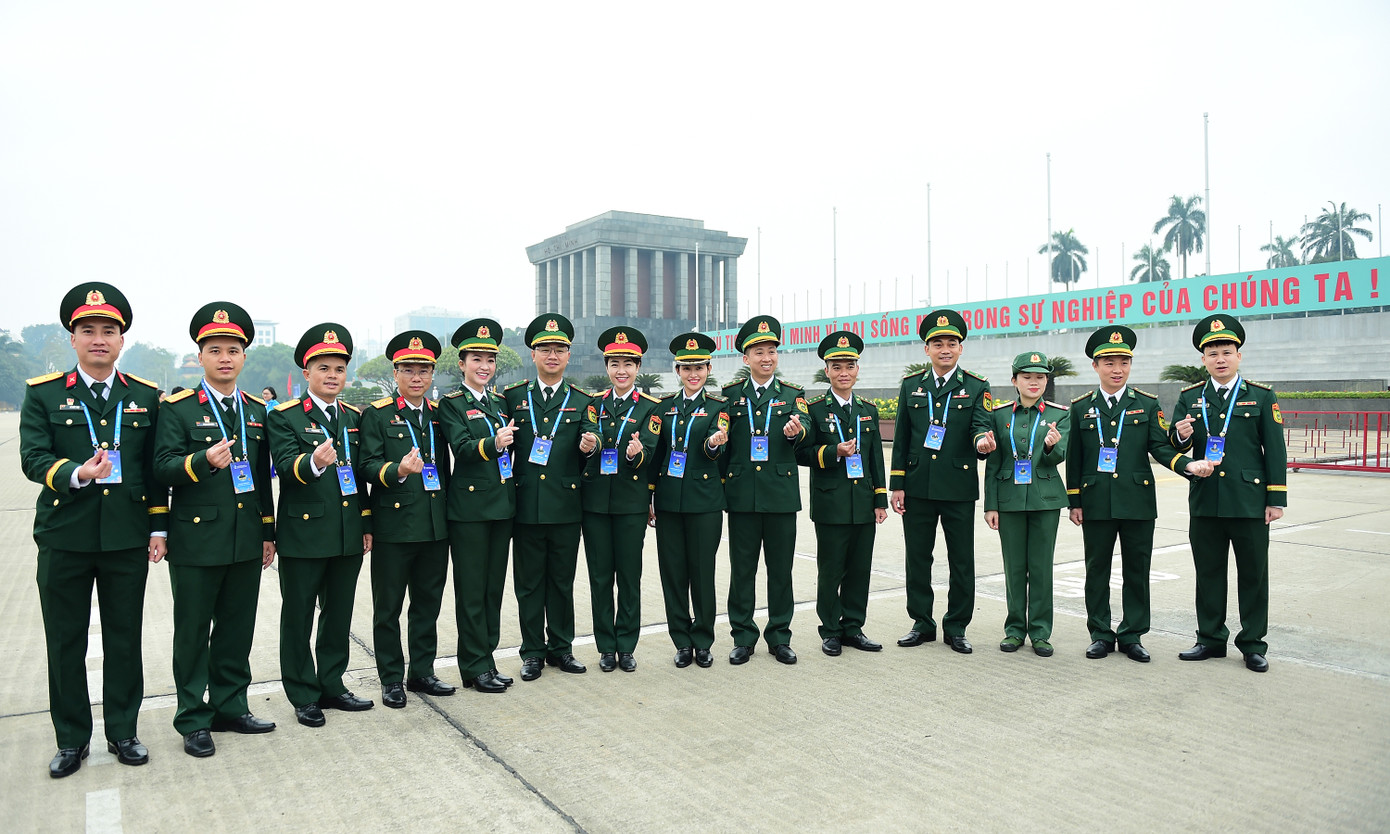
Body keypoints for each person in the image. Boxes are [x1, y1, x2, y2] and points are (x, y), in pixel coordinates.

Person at [20, 282, 166, 777]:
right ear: (73, 338)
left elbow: (152, 472)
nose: (98, 339)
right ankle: (71, 739)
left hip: (126, 537)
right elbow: (32, 457)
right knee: (65, 640)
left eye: (108, 331)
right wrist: (77, 472)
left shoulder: (145, 396)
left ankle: (123, 731)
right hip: (65, 535)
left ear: (121, 340)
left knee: (124, 638)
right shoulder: (43, 393)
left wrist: (158, 529)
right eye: (88, 331)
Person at [153, 302, 277, 758]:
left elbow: (260, 478)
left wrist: (267, 533)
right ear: (200, 356)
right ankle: (193, 718)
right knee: (192, 632)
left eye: (233, 350)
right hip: (196, 540)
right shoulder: (178, 408)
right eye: (215, 350)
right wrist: (201, 461)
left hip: (244, 538)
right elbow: (161, 468)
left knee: (235, 629)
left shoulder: (257, 410)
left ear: (244, 356)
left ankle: (231, 707)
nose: (225, 358)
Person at [1067, 325, 1211, 663]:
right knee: (1097, 571)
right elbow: (1074, 459)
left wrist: (1187, 465)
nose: (1117, 369)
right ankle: (1100, 634)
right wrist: (1074, 501)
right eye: (1109, 363)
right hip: (1096, 502)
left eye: (1124, 362)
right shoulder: (1081, 407)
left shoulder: (1146, 404)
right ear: (1095, 366)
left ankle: (1132, 635)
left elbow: (1160, 447)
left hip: (1137, 502)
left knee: (1137, 570)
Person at [267, 324, 374, 726]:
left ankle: (332, 684)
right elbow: (283, 465)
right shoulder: (285, 416)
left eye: (339, 369)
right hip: (304, 533)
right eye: (323, 368)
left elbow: (358, 476)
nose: (332, 375)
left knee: (338, 614)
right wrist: (313, 462)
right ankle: (303, 694)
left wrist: (365, 522)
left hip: (347, 532)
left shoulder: (353, 417)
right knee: (298, 616)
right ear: (307, 372)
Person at [1169, 315, 1286, 672]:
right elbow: (1176, 443)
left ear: (1239, 356)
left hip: (1249, 500)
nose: (1220, 359)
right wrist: (1182, 436)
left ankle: (1253, 644)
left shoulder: (1261, 396)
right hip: (1206, 498)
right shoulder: (1190, 397)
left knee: (1253, 575)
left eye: (1227, 352)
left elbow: (1275, 449)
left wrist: (1276, 498)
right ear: (1203, 359)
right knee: (1208, 574)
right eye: (1213, 353)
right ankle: (1210, 639)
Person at [889, 310, 995, 654]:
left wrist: (982, 443)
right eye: (937, 344)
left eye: (951, 343)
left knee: (961, 560)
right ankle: (922, 623)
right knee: (918, 558)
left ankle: (957, 626)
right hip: (917, 485)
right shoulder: (911, 385)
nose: (945, 349)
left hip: (958, 486)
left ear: (961, 348)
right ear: (927, 349)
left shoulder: (976, 386)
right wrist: (897, 484)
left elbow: (980, 425)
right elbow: (901, 438)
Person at [361, 330, 455, 707]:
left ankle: (422, 672)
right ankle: (390, 678)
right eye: (408, 370)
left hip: (434, 526)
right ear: (395, 373)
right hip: (394, 528)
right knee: (388, 608)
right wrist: (397, 470)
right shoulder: (378, 414)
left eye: (424, 370)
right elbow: (367, 465)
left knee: (427, 605)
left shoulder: (439, 415)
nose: (417, 377)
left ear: (432, 374)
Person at [502, 314, 596, 681]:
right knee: (528, 585)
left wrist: (591, 444)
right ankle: (532, 653)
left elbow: (593, 435)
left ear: (569, 355)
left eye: (559, 349)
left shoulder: (582, 399)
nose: (552, 355)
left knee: (561, 582)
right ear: (533, 354)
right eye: (545, 349)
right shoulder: (513, 397)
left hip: (565, 506)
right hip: (525, 505)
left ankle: (561, 648)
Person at [722, 315, 812, 665]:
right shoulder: (730, 396)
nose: (766, 358)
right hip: (742, 495)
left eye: (771, 351)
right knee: (742, 571)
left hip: (779, 495)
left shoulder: (792, 394)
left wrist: (796, 431)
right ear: (746, 358)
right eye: (758, 352)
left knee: (780, 571)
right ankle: (743, 636)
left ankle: (779, 636)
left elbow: (805, 424)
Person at [797, 331, 888, 657]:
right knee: (831, 570)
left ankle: (853, 627)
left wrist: (880, 499)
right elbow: (802, 453)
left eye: (849, 366)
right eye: (836, 367)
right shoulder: (813, 409)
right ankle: (830, 630)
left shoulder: (867, 410)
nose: (843, 372)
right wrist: (832, 451)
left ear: (857, 370)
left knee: (859, 570)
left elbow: (876, 458)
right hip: (831, 502)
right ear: (827, 371)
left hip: (862, 502)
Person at [439, 320, 517, 693]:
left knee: (492, 591)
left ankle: (486, 659)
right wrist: (494, 443)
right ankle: (473, 666)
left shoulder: (499, 403)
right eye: (476, 359)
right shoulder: (452, 404)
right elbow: (462, 448)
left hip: (501, 507)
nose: (484, 366)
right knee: (471, 591)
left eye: (489, 360)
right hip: (469, 511)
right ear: (462, 364)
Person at [580, 327, 663, 673]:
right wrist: (590, 445)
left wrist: (634, 453)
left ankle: (626, 646)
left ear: (638, 367)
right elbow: (589, 435)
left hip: (631, 503)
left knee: (629, 577)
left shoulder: (651, 408)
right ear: (607, 367)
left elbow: (651, 450)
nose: (621, 371)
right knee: (600, 579)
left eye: (628, 364)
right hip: (595, 503)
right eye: (615, 364)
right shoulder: (592, 404)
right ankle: (605, 646)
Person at [982, 352, 1069, 657]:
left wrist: (1051, 446)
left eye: (1040, 377)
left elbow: (1060, 456)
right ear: (1014, 380)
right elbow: (993, 463)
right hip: (1008, 499)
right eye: (1027, 377)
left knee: (1041, 568)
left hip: (1046, 500)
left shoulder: (1059, 414)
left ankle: (1041, 632)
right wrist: (990, 505)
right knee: (1014, 568)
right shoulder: (999, 415)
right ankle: (1015, 629)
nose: (1034, 382)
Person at [650, 333, 728, 669]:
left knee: (702, 572)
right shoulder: (663, 407)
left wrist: (713, 444)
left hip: (704, 502)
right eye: (686, 368)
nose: (693, 374)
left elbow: (716, 447)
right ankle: (681, 641)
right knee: (673, 575)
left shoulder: (718, 408)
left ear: (708, 369)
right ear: (677, 370)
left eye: (699, 368)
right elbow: (656, 454)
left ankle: (703, 640)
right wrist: (650, 495)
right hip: (668, 501)